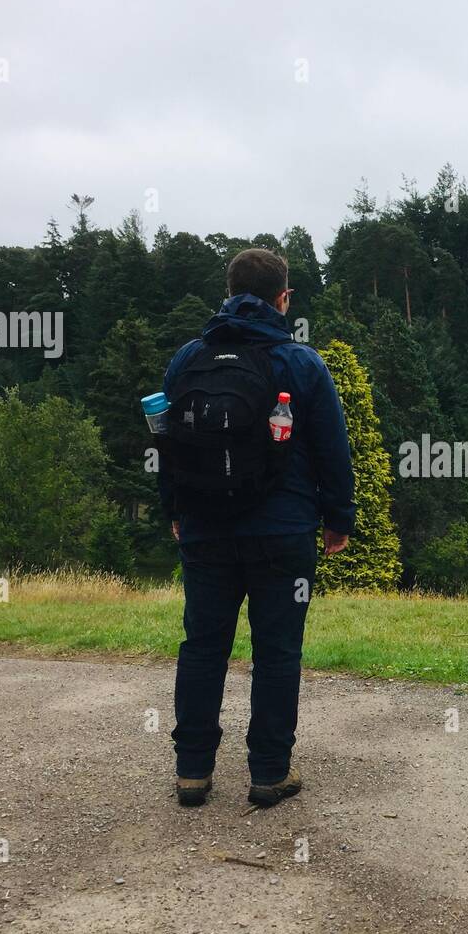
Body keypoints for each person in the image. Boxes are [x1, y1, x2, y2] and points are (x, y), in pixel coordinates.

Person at [158, 247, 355, 809]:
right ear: (283, 298)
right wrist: (337, 520)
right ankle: (269, 773)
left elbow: (166, 445)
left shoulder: (187, 359)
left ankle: (192, 773)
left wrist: (176, 510)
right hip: (283, 531)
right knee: (277, 652)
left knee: (202, 647)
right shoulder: (302, 362)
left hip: (204, 529)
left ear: (228, 293)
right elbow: (332, 450)